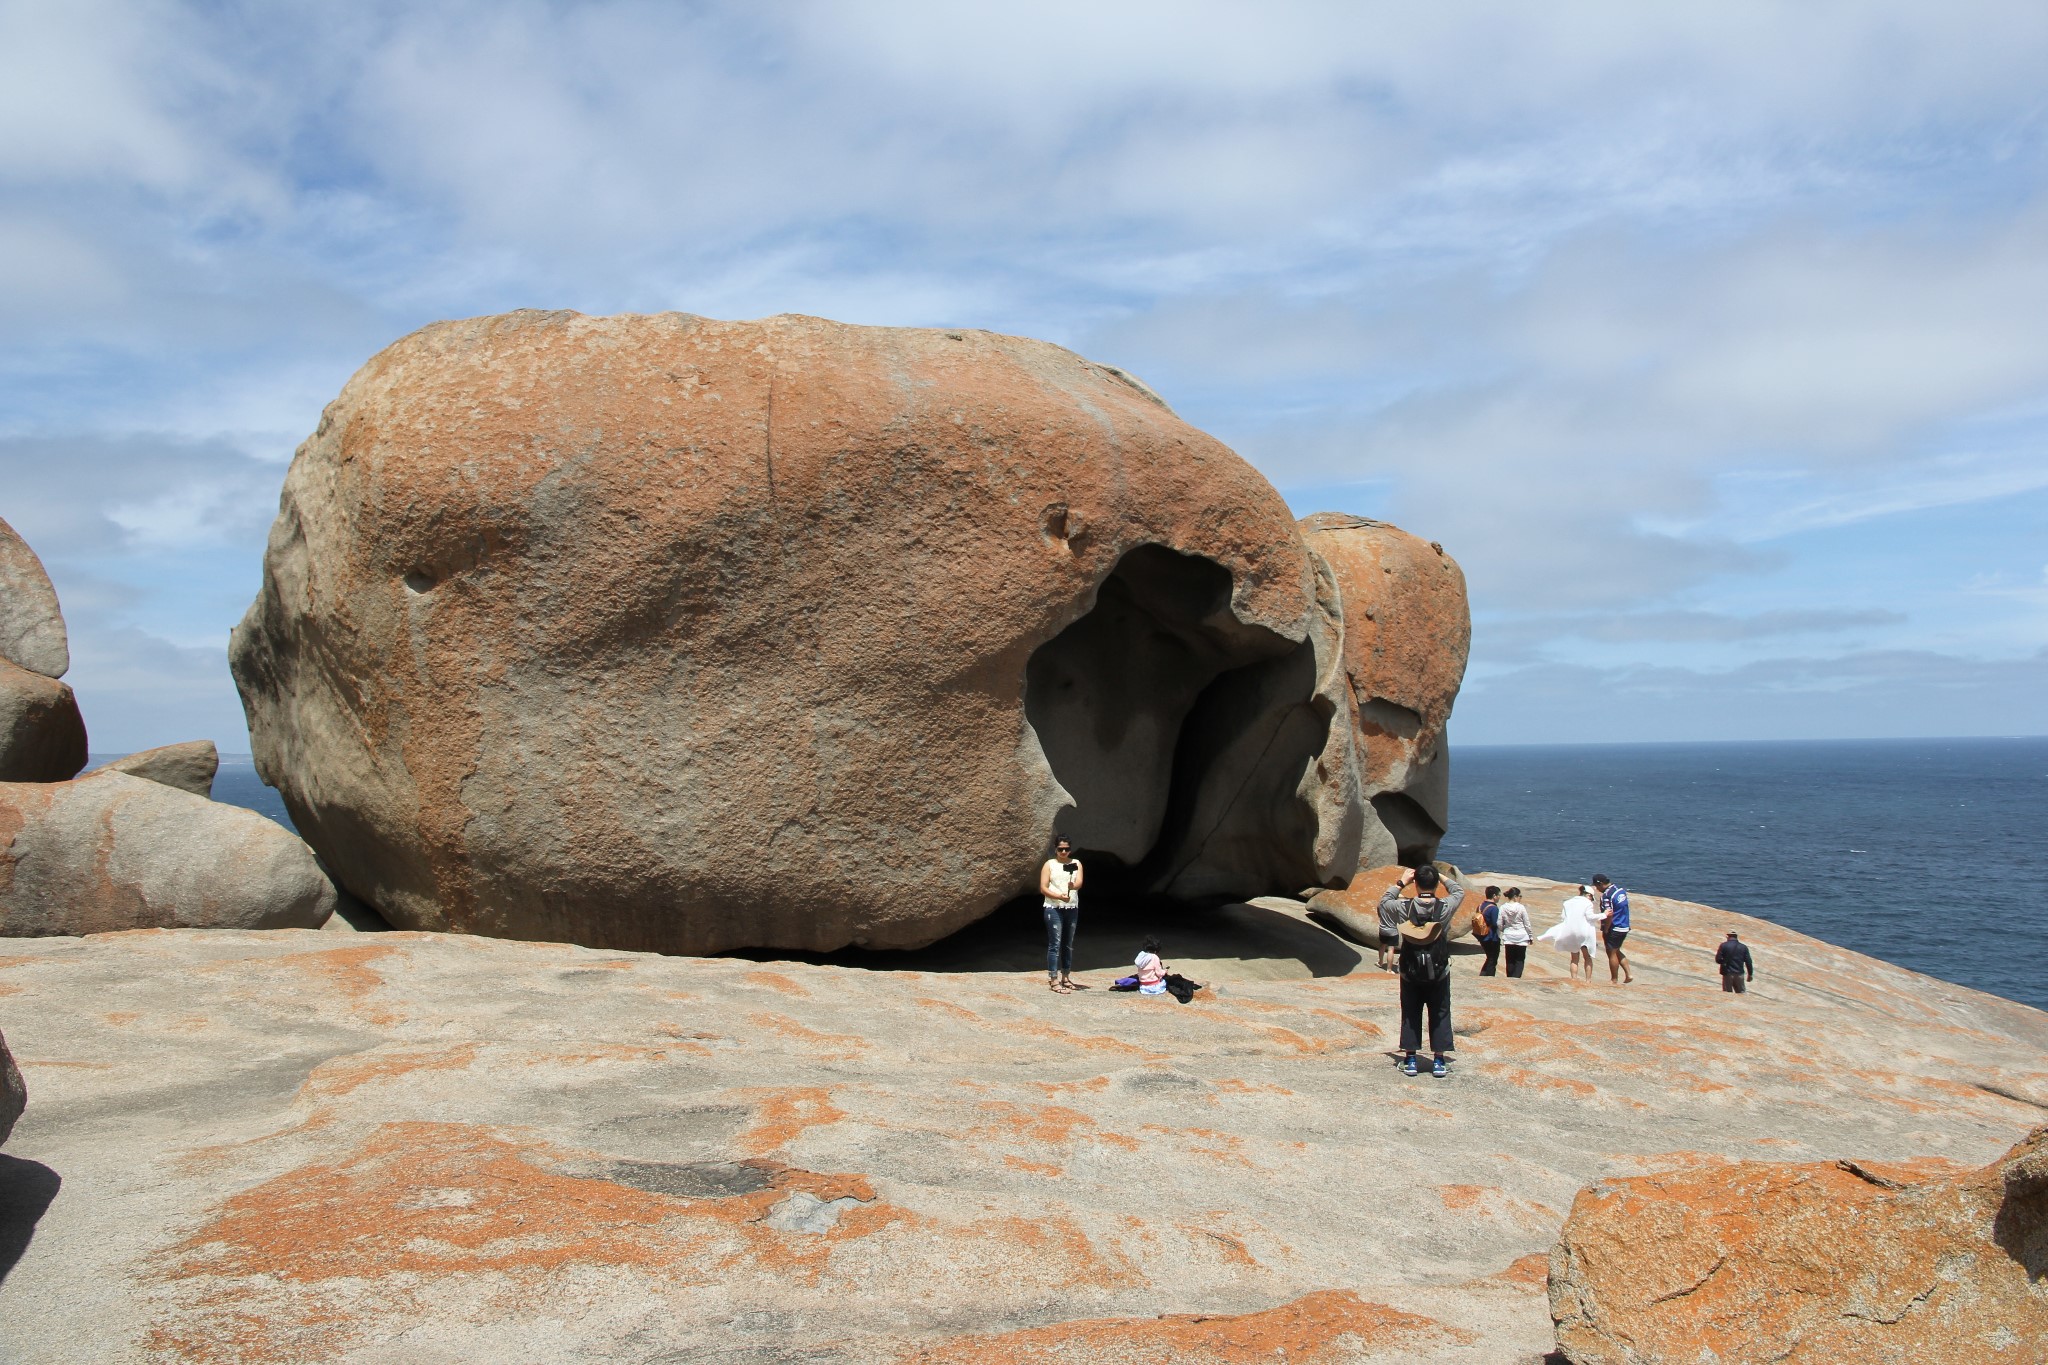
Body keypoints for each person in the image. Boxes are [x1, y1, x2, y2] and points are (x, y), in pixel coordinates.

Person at [1378, 864, 1465, 1077]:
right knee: (1440, 1011)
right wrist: (1441, 876)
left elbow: (1384, 903)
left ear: (1415, 884)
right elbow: (1459, 891)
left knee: (1410, 1012)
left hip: (1410, 970)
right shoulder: (1444, 907)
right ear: (1436, 884)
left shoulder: (1404, 907)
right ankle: (1439, 1062)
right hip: (1439, 970)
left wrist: (1401, 882)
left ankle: (1410, 1060)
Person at [1039, 837, 1084, 994]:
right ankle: (1053, 979)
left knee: (1068, 943)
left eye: (1066, 849)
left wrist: (1073, 885)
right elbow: (1043, 888)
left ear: (1070, 849)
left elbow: (1079, 882)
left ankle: (1065, 976)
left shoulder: (1076, 863)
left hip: (1071, 907)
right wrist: (1058, 896)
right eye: (1060, 849)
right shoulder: (1049, 864)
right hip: (1054, 907)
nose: (1063, 852)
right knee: (1055, 943)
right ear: (1055, 849)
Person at [1539, 885, 1599, 981]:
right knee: (1587, 957)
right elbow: (1590, 917)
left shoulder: (1568, 902)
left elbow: (1563, 917)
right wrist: (1604, 914)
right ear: (1588, 895)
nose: (1591, 899)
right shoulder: (1588, 903)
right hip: (1584, 932)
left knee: (1574, 958)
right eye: (1591, 897)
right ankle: (1588, 980)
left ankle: (1574, 979)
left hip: (1571, 932)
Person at [1592, 874, 1634, 985]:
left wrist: (1606, 928)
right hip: (1624, 926)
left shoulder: (1607, 896)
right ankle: (1629, 974)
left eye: (1596, 886)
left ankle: (1614, 980)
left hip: (1614, 928)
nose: (1596, 889)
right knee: (1616, 950)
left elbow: (1609, 913)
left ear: (1600, 884)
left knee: (1611, 953)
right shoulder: (1620, 891)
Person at [1496, 887, 1533, 978]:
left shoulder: (1503, 907)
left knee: (1510, 959)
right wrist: (1530, 936)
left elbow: (1499, 923)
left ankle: (1510, 977)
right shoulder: (1521, 907)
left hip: (1509, 935)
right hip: (1521, 935)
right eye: (1520, 896)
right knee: (1520, 959)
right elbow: (1527, 923)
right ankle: (1516, 978)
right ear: (1515, 896)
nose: (1520, 898)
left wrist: (1504, 929)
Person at [1475, 886, 1502, 976]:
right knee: (1492, 959)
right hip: (1491, 937)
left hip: (1481, 935)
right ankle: (1489, 977)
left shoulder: (1480, 906)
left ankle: (1482, 974)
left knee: (1489, 957)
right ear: (1494, 896)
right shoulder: (1493, 908)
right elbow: (1495, 923)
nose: (1499, 897)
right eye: (1498, 895)